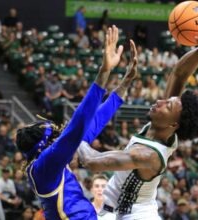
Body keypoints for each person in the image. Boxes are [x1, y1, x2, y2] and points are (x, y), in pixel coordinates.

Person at [78, 14, 198, 219]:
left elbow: (91, 161)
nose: (160, 101)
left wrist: (70, 132)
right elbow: (179, 74)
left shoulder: (147, 154)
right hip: (120, 211)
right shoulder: (165, 127)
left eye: (167, 105)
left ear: (173, 123)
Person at [16, 25, 137, 220]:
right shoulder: (44, 166)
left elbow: (92, 124)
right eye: (55, 136)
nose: (59, 136)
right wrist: (103, 71)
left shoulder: (49, 165)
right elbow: (78, 125)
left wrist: (126, 81)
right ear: (45, 146)